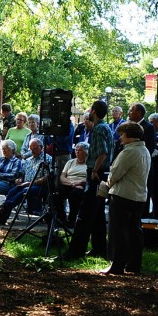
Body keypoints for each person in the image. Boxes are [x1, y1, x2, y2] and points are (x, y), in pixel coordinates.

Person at [62, 101, 114, 260]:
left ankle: (75, 252)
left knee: (84, 214)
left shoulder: (99, 129)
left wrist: (95, 170)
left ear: (95, 111)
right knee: (97, 214)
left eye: (91, 109)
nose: (89, 112)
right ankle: (99, 248)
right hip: (102, 173)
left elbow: (103, 153)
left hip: (96, 174)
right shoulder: (105, 127)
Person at [102, 122, 151, 275]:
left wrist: (106, 185)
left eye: (122, 135)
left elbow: (115, 174)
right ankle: (133, 264)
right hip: (139, 196)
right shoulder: (144, 150)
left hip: (123, 195)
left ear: (130, 136)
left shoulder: (129, 152)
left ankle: (117, 265)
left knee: (119, 232)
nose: (120, 138)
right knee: (134, 231)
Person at [0, 139, 53, 224]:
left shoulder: (47, 159)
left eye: (35, 149)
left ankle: (4, 208)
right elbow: (22, 173)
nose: (33, 151)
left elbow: (47, 177)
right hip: (26, 184)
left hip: (40, 186)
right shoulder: (28, 160)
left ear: (41, 147)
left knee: (24, 191)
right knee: (12, 191)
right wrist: (20, 179)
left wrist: (31, 183)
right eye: (31, 149)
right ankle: (3, 216)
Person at [54, 142, 90, 227]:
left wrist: (79, 182)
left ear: (86, 152)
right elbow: (62, 177)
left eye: (80, 150)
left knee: (74, 194)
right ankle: (62, 218)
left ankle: (71, 219)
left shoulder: (90, 163)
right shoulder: (70, 162)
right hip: (69, 183)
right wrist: (72, 183)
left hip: (81, 185)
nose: (77, 152)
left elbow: (90, 178)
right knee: (56, 194)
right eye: (76, 150)